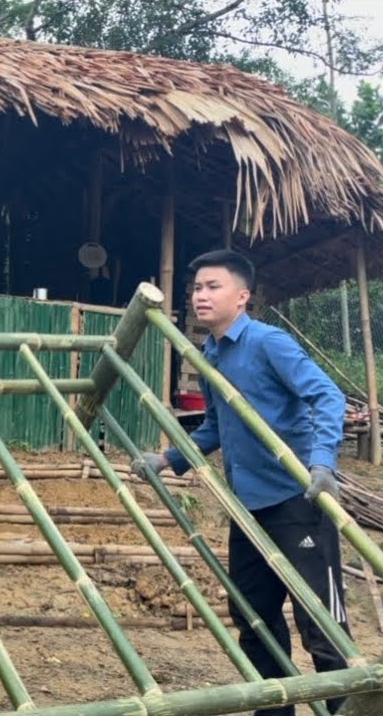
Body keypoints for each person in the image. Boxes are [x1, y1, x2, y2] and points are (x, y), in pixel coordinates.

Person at [133, 250, 348, 716]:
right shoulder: (209, 353)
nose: (200, 296)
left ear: (243, 296)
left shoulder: (270, 343)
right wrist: (169, 459)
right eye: (196, 288)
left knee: (323, 628)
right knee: (254, 618)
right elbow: (215, 425)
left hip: (296, 500)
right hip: (248, 508)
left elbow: (327, 395)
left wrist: (322, 462)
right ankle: (276, 710)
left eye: (213, 286)